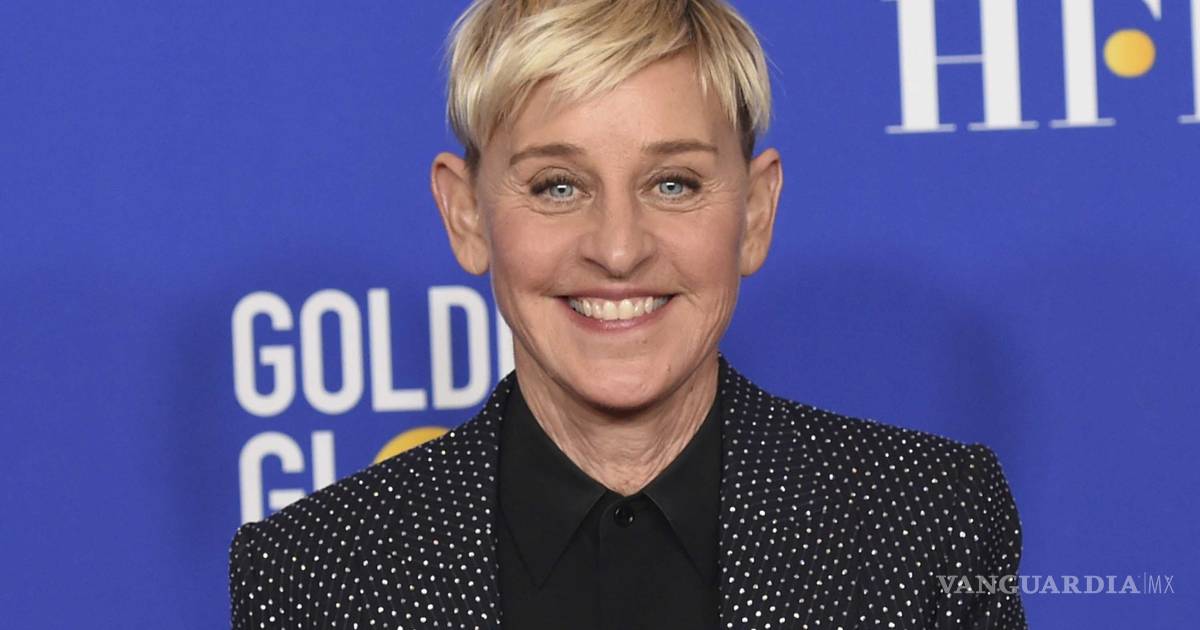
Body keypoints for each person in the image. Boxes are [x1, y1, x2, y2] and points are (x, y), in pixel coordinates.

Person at [229, 1, 1028, 628]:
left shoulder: (928, 522)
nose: (617, 250)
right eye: (557, 187)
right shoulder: (312, 574)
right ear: (465, 214)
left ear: (756, 212)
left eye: (673, 183)